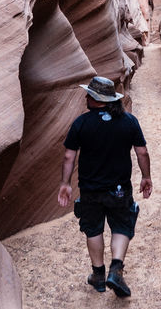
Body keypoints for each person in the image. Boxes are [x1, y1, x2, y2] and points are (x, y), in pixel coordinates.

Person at [57, 75, 152, 297]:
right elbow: (142, 152)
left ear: (94, 98)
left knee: (94, 228)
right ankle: (116, 270)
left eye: (88, 94)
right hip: (119, 189)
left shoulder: (81, 123)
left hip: (90, 190)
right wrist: (146, 176)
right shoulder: (129, 121)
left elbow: (69, 157)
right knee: (121, 225)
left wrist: (65, 183)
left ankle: (99, 275)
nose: (86, 96)